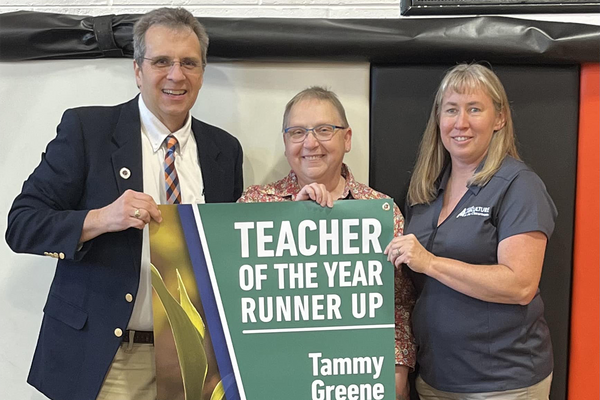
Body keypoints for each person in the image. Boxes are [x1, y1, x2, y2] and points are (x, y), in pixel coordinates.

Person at [5, 7, 243, 400]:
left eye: (189, 63)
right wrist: (100, 218)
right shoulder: (88, 131)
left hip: (193, 358)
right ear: (137, 70)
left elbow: (230, 246)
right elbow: (22, 225)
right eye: (161, 61)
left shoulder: (224, 150)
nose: (175, 75)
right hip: (109, 357)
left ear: (202, 72)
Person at [384, 63, 557, 399]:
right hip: (436, 377)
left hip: (502, 383)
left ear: (499, 118)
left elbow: (520, 285)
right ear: (439, 119)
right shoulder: (425, 190)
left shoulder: (520, 186)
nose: (460, 123)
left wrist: (431, 262)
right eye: (451, 110)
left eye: (474, 109)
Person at [239, 86, 416, 399]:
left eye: (323, 130)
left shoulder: (380, 212)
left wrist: (398, 368)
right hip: (275, 380)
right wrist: (295, 214)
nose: (310, 143)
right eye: (297, 132)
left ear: (346, 139)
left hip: (355, 380)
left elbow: (398, 303)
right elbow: (234, 296)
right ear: (285, 142)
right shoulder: (253, 206)